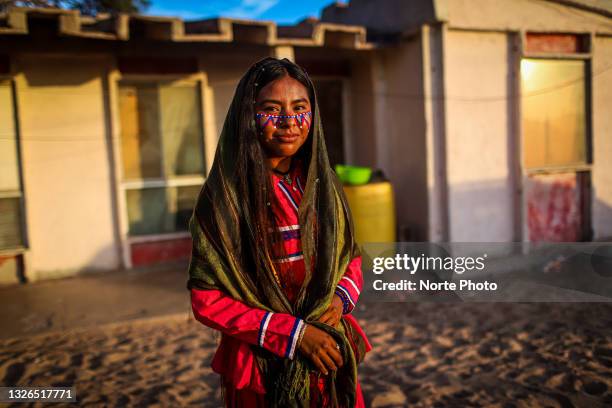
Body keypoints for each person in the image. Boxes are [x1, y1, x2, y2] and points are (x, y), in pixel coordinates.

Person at [187, 57, 372, 407]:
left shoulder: (323, 186)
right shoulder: (226, 199)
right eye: (272, 110)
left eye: (300, 108)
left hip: (327, 349)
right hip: (262, 361)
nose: (289, 122)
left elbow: (351, 257)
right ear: (248, 116)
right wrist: (294, 335)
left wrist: (336, 301)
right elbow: (206, 299)